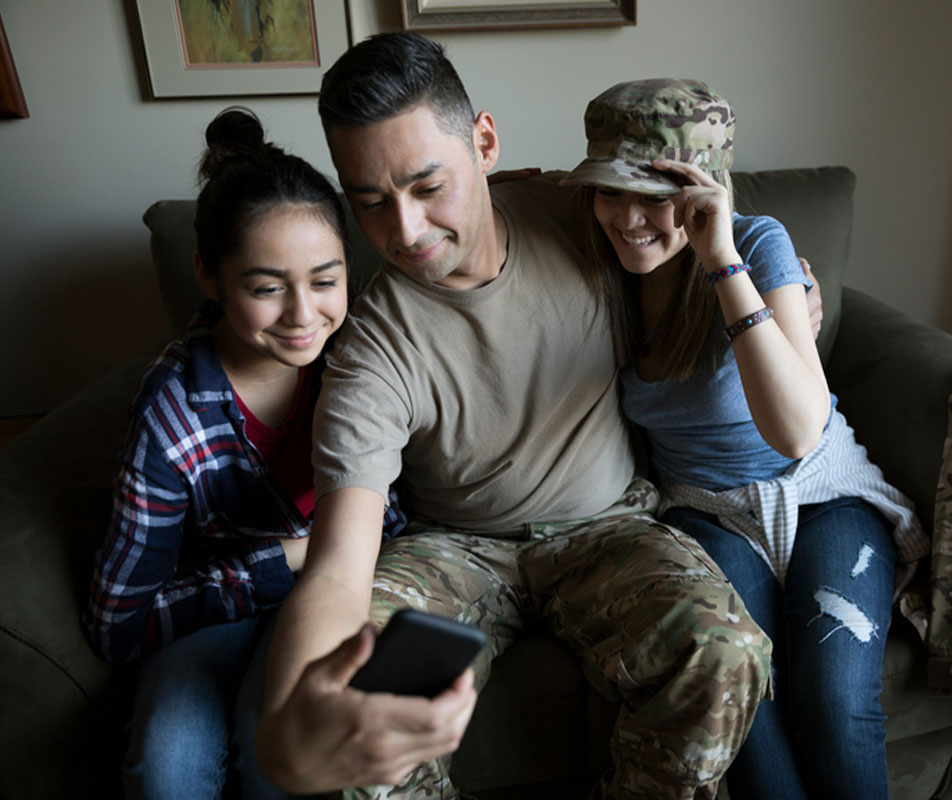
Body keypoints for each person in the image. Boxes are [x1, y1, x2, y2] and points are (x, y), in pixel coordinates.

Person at [254, 33, 772, 799]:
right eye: (369, 201)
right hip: (456, 549)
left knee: (726, 649)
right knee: (369, 698)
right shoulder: (370, 349)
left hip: (608, 527)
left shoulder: (588, 216)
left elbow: (699, 211)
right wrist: (289, 732)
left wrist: (784, 288)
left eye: (429, 186)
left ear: (486, 143)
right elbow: (338, 565)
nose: (404, 231)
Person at [562, 79, 929, 799]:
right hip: (706, 510)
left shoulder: (760, 244)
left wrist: (721, 261)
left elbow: (797, 432)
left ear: (705, 190)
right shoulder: (593, 262)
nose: (630, 219)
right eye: (612, 191)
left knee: (832, 700)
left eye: (656, 194)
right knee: (743, 700)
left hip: (824, 492)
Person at [81, 107, 406, 798]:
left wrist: (324, 559)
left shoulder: (362, 363)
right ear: (209, 275)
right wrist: (281, 560)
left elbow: (403, 518)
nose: (302, 314)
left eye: (325, 280)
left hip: (339, 589)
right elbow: (118, 623)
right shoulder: (171, 413)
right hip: (217, 605)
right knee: (166, 764)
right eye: (265, 288)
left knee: (278, 758)